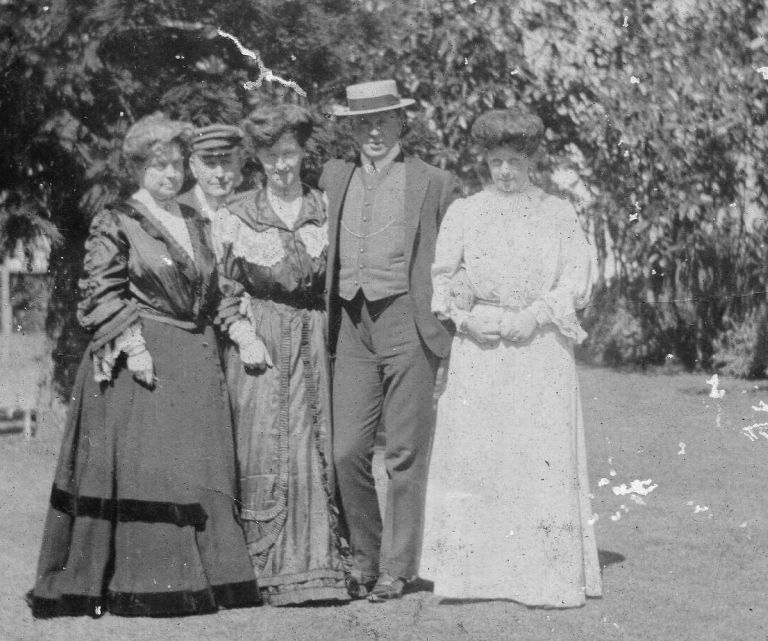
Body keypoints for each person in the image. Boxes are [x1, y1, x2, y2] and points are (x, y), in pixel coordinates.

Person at [28, 113, 264, 618]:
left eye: (177, 165)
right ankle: (150, 579)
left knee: (200, 471)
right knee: (153, 474)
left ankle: (213, 575)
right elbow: (99, 289)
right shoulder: (117, 219)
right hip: (145, 361)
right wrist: (132, 343)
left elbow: (214, 290)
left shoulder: (196, 220)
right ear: (138, 167)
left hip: (195, 359)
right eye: (158, 167)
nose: (169, 176)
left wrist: (240, 331)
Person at [421, 107, 603, 607]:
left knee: (536, 456)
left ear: (531, 162)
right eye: (495, 160)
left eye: (514, 161)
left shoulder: (557, 212)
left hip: (539, 348)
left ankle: (541, 576)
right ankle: (476, 577)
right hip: (481, 347)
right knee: (480, 456)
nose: (504, 171)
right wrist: (463, 316)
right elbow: (443, 278)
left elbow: (576, 279)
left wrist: (539, 313)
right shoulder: (465, 212)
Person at [321, 79, 456, 602]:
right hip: (350, 325)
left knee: (404, 453)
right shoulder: (334, 177)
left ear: (402, 123)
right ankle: (365, 554)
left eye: (383, 121)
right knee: (346, 449)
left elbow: (453, 259)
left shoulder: (433, 181)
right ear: (350, 128)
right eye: (362, 123)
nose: (373, 132)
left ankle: (397, 567)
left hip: (407, 321)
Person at [221, 104, 350, 605]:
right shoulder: (240, 214)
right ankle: (264, 567)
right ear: (257, 158)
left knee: (315, 439)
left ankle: (320, 566)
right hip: (262, 336)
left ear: (302, 153)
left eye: (289, 153)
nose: (282, 165)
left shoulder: (323, 207)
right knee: (264, 440)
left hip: (315, 336)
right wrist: (242, 332)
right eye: (271, 155)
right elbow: (224, 283)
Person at [177, 123, 245, 254]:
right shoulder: (176, 213)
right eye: (210, 163)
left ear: (240, 163)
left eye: (226, 162)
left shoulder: (256, 210)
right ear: (193, 166)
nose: (219, 174)